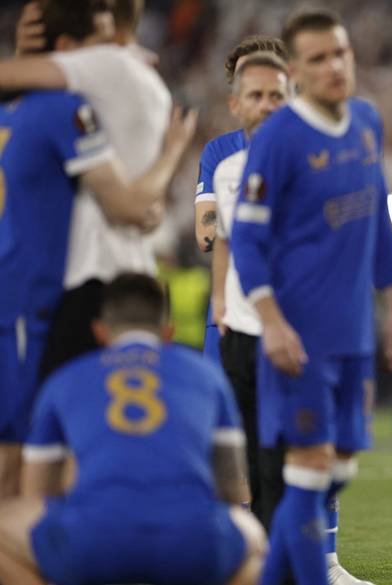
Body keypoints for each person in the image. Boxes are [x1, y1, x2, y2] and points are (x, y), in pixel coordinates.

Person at [230, 8, 392, 585]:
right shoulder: (278, 139)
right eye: (318, 59)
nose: (334, 66)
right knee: (309, 473)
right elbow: (248, 242)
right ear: (298, 74)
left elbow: (379, 218)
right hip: (299, 340)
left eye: (341, 53)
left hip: (354, 334)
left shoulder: (366, 121)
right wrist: (273, 322)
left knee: (338, 470)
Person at [0, 0, 196, 499]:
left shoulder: (37, 105)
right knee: (56, 444)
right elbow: (133, 206)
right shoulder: (84, 96)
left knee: (35, 444)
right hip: (75, 288)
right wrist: (172, 155)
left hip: (54, 285)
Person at [0, 273, 266, 585]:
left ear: (100, 332)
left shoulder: (66, 378)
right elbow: (231, 490)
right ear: (168, 332)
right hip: (189, 543)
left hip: (93, 542)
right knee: (255, 541)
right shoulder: (207, 377)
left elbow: (38, 495)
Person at [0, 0, 175, 379]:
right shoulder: (144, 81)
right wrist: (172, 155)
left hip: (87, 277)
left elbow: (125, 206)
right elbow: (137, 207)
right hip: (132, 274)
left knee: (53, 419)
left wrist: (23, 58)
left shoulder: (95, 74)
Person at [206, 49, 289, 527]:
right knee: (253, 457)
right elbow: (223, 241)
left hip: (295, 331)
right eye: (256, 95)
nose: (267, 104)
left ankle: (316, 556)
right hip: (241, 329)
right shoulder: (227, 170)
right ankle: (264, 559)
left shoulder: (315, 164)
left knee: (299, 456)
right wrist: (220, 303)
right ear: (236, 105)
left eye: (276, 95)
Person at [196, 35, 288, 367]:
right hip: (230, 314)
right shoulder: (220, 155)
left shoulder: (312, 150)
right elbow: (206, 235)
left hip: (292, 311)